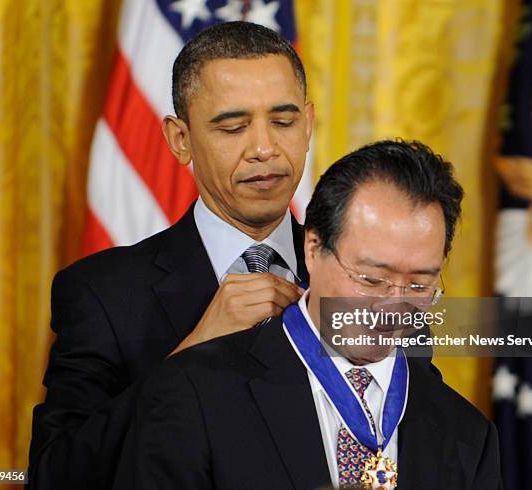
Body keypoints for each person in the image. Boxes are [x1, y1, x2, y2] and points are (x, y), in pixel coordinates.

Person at [27, 21, 313, 490]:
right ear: (180, 140)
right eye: (233, 126)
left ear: (308, 124)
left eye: (283, 122)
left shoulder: (362, 278)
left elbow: (427, 442)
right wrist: (190, 355)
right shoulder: (104, 293)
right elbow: (54, 476)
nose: (264, 148)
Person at [121, 140, 503, 490]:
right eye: (371, 279)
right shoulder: (193, 393)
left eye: (419, 286)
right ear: (313, 247)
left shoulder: (467, 435)